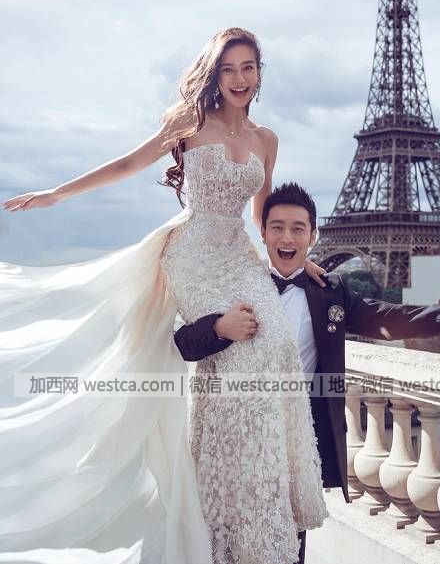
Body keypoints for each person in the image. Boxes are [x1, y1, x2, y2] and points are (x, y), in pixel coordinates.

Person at [1, 28, 328, 564]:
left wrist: (296, 258)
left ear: (259, 73)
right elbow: (129, 164)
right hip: (193, 253)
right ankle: (221, 508)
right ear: (215, 75)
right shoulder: (188, 122)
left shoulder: (267, 140)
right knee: (235, 356)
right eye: (228, 69)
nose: (239, 78)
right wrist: (57, 193)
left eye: (248, 67)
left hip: (239, 253)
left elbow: (261, 213)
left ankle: (269, 494)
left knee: (276, 346)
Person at [173, 182, 440, 564]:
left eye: (297, 228)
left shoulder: (330, 293)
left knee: (289, 548)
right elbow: (184, 344)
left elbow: (405, 319)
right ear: (262, 233)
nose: (287, 237)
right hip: (238, 442)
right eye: (277, 227)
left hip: (296, 444)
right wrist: (218, 328)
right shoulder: (235, 284)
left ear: (313, 236)